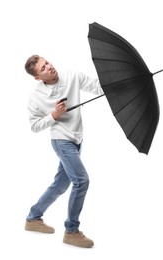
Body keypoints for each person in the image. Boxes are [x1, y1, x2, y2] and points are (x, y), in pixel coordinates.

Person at [24, 55, 103, 248]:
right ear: (37, 78)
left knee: (60, 185)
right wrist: (54, 115)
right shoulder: (36, 96)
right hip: (61, 141)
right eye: (43, 69)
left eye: (47, 63)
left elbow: (98, 87)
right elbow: (34, 126)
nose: (49, 67)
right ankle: (71, 231)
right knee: (81, 180)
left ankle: (33, 218)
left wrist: (122, 82)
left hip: (77, 139)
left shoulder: (72, 76)